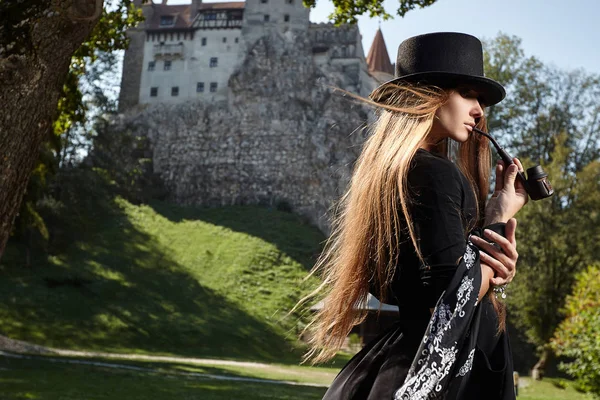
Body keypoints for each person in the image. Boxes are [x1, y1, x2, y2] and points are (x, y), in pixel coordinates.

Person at [301, 32, 529, 399]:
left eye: (481, 100)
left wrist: (495, 242)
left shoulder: (395, 172)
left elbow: (430, 279)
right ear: (429, 94)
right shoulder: (433, 172)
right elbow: (448, 293)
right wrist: (496, 245)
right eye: (467, 93)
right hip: (438, 373)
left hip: (400, 359)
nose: (479, 111)